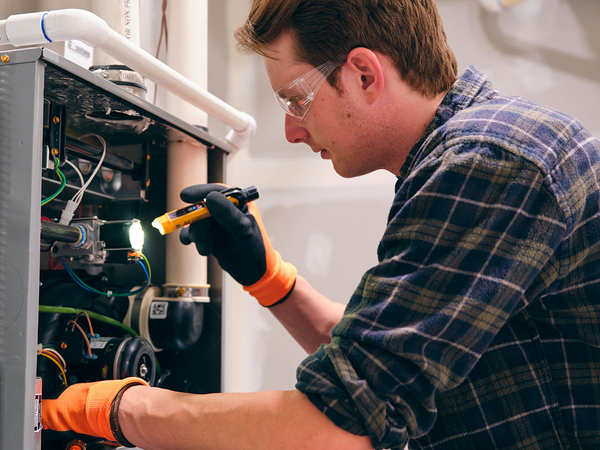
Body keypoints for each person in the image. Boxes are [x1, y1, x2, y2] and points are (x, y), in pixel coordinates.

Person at [42, 0, 600, 449]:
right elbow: (379, 369)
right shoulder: (475, 154)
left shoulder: (489, 161)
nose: (291, 130)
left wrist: (118, 409)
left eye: (297, 100)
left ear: (362, 73)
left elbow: (339, 425)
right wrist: (272, 280)